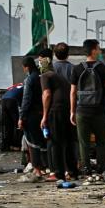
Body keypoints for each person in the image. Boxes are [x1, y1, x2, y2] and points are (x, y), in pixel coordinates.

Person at [70, 39, 105, 176]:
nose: (100, 51)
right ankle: (100, 168)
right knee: (102, 141)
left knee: (83, 142)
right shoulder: (103, 68)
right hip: (99, 111)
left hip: (82, 111)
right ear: (94, 50)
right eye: (99, 48)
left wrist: (72, 111)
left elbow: (72, 92)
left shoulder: (77, 69)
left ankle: (86, 168)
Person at [39, 53, 77, 181]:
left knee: (55, 142)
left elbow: (47, 94)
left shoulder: (45, 76)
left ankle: (58, 173)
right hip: (67, 110)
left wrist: (44, 116)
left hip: (56, 111)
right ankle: (72, 171)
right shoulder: (58, 77)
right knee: (68, 142)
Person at [19, 56, 47, 176]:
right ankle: (46, 167)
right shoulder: (42, 77)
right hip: (42, 113)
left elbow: (26, 99)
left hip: (32, 115)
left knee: (32, 142)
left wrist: (21, 117)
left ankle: (37, 169)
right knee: (43, 141)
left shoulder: (30, 79)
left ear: (27, 67)